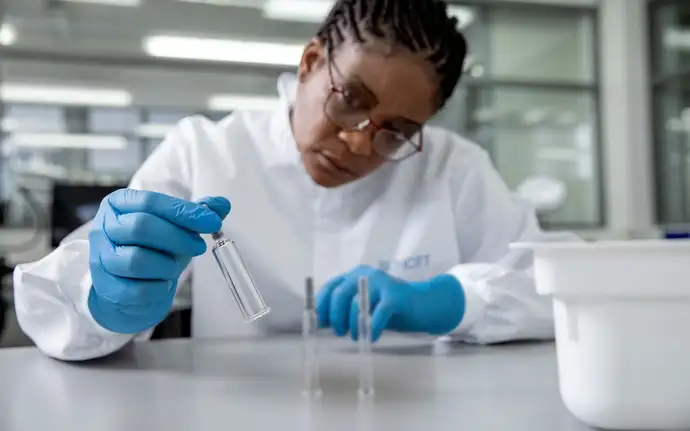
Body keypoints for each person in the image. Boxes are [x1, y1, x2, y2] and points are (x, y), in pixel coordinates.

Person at [13, 0, 575, 361]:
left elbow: (558, 289)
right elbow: (55, 304)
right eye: (350, 100)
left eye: (397, 132)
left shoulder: (454, 167)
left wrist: (452, 299)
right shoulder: (206, 151)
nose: (358, 141)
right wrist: (106, 298)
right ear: (310, 63)